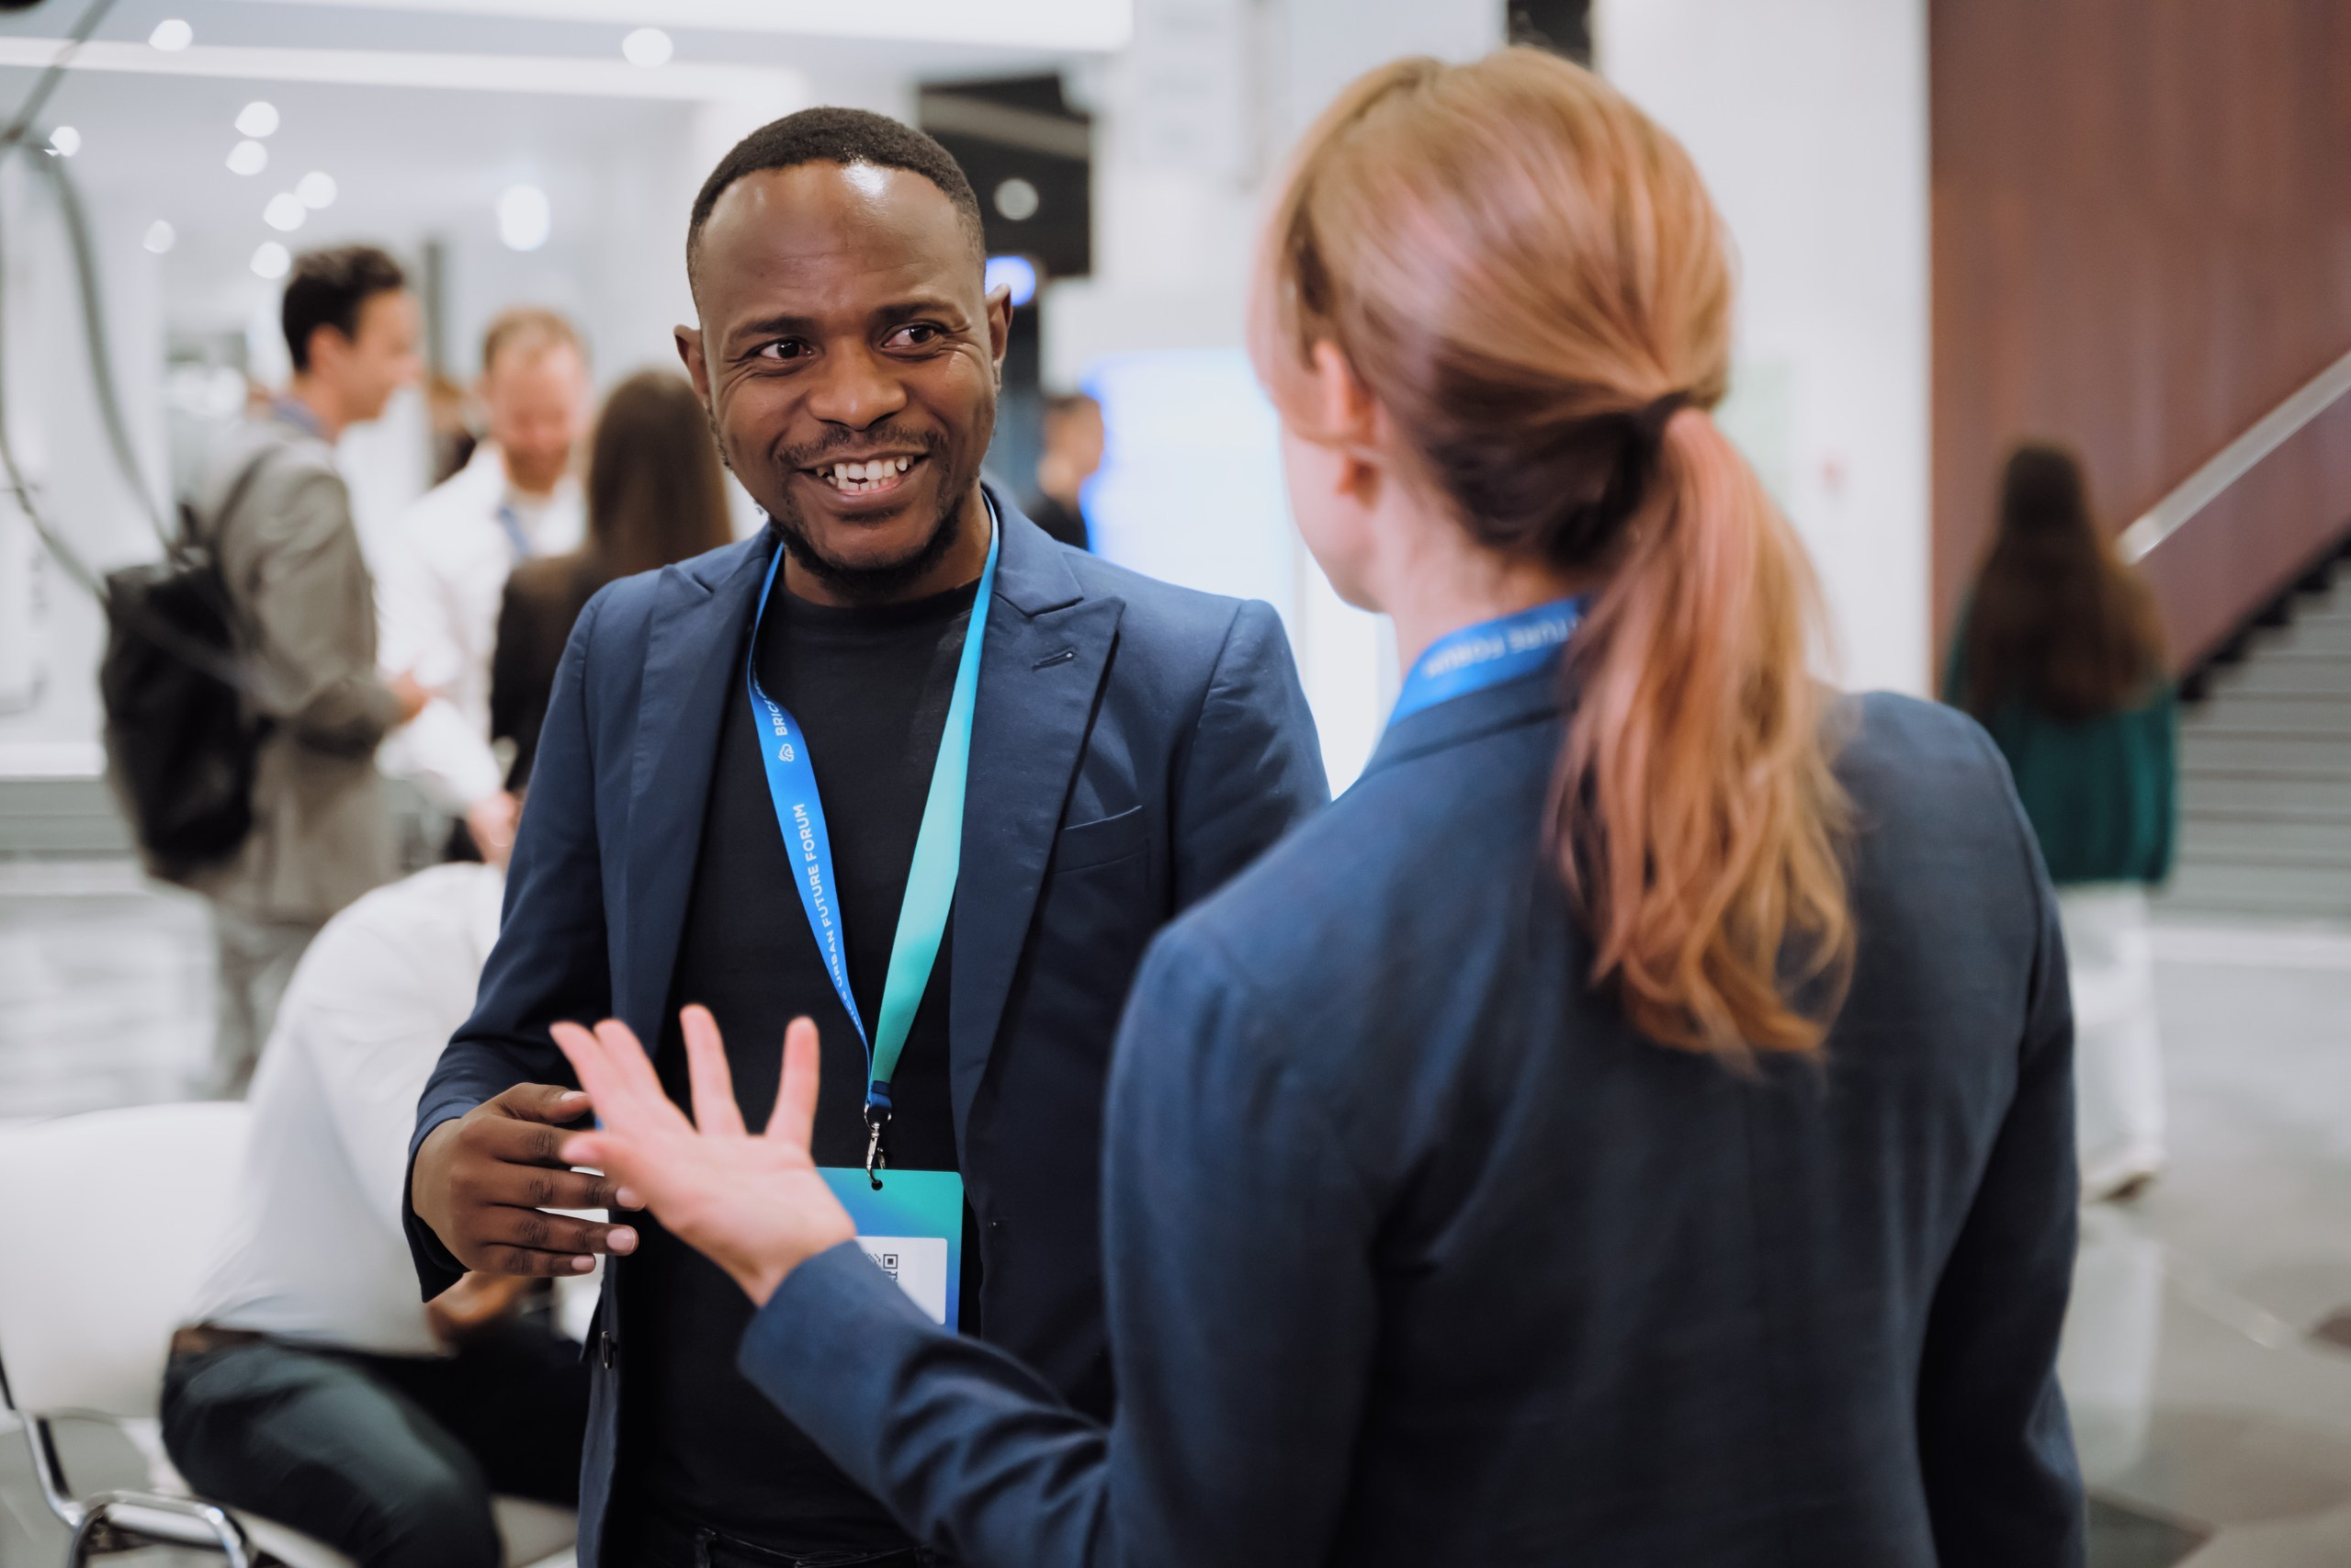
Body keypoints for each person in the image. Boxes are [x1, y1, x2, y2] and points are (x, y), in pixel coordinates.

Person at [550, 51, 2086, 1568]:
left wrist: (807, 1273)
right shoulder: (1951, 806)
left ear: (1336, 399)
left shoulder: (1279, 973)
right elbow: (2001, 1460)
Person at [403, 107, 1328, 1568]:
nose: (853, 399)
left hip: (1050, 1514)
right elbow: (520, 1034)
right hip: (695, 1520)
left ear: (996, 330)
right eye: (781, 349)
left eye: (911, 333)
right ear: (704, 371)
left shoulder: (1190, 678)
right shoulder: (628, 656)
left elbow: (1309, 1148)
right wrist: (448, 1155)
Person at [164, 859, 591, 1568]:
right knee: (430, 1514)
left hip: (444, 1361)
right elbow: (455, 1279)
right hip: (253, 1360)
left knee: (684, 1441)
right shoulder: (394, 944)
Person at [189, 245, 427, 1097]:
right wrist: (396, 699)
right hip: (300, 846)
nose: (410, 371)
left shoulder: (243, 454)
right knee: (286, 1097)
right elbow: (314, 688)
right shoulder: (304, 483)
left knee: (250, 1071)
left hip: (254, 830)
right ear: (329, 349)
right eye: (395, 347)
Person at [1947, 443, 2176, 1202]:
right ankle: (2134, 1133)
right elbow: (2157, 730)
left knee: (2032, 1000)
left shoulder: (1995, 599)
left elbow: (1962, 725)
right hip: (2112, 833)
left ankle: (2052, 1149)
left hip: (2025, 835)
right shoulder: (2124, 597)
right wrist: (2156, 837)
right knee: (2124, 986)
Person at [377, 308, 593, 863]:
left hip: (610, 805)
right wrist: (483, 798)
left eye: (558, 416)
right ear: (485, 397)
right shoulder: (428, 532)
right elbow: (413, 688)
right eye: (523, 419)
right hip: (484, 813)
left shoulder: (610, 521)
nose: (543, 439)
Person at [491, 368, 734, 791]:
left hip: (567, 826)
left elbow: (503, 727)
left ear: (601, 462)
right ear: (705, 470)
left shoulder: (537, 594)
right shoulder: (746, 602)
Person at [1023, 391, 1102, 551]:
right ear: (1061, 432)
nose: (1102, 445)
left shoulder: (1073, 514)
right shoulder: (1043, 523)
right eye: (1094, 433)